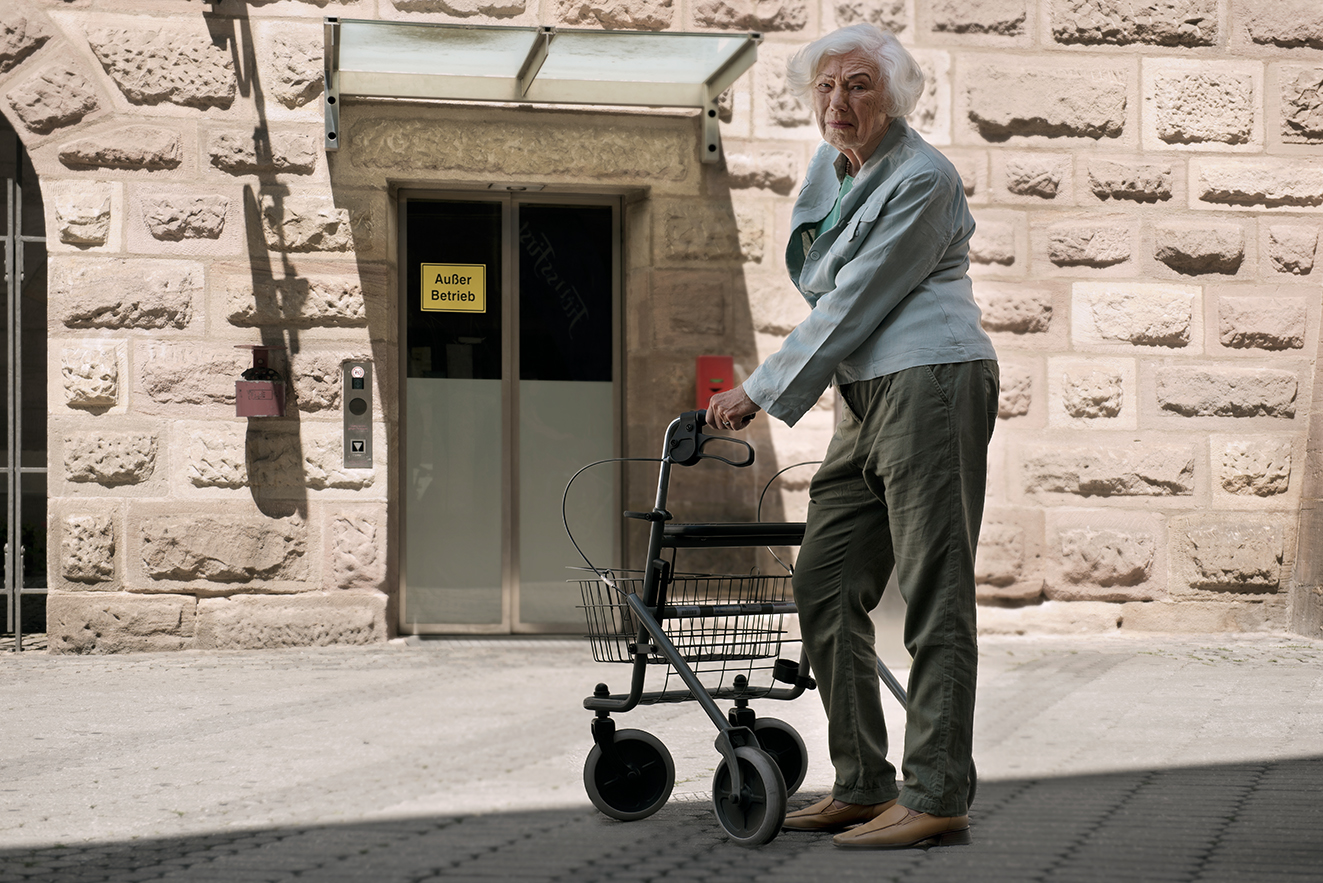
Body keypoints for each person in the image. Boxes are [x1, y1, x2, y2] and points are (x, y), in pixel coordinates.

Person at [706, 24, 999, 850]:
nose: (838, 101)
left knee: (934, 590)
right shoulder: (836, 168)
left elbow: (854, 298)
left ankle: (935, 791)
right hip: (864, 391)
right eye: (826, 86)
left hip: (932, 378)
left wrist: (759, 388)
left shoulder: (921, 177)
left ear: (893, 97)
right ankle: (864, 781)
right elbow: (825, 278)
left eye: (860, 85)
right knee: (824, 579)